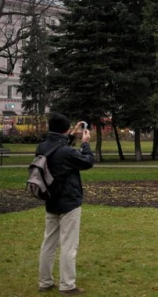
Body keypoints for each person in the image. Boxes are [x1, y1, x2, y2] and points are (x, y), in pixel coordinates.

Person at [38, 113, 94, 295]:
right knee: (69, 245)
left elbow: (58, 149)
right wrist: (85, 143)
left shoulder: (42, 147)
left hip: (50, 199)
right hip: (69, 201)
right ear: (65, 129)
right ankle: (67, 285)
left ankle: (45, 282)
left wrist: (70, 136)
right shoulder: (67, 152)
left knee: (49, 243)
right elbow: (87, 162)